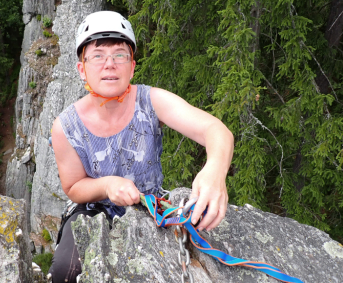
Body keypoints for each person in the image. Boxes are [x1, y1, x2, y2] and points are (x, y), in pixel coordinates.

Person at [48, 11, 234, 283]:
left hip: (148, 207)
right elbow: (74, 187)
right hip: (91, 210)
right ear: (82, 69)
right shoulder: (66, 126)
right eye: (98, 55)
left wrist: (215, 172)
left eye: (120, 55)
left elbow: (216, 130)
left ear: (132, 66)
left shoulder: (151, 102)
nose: (109, 64)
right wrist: (107, 185)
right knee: (65, 272)